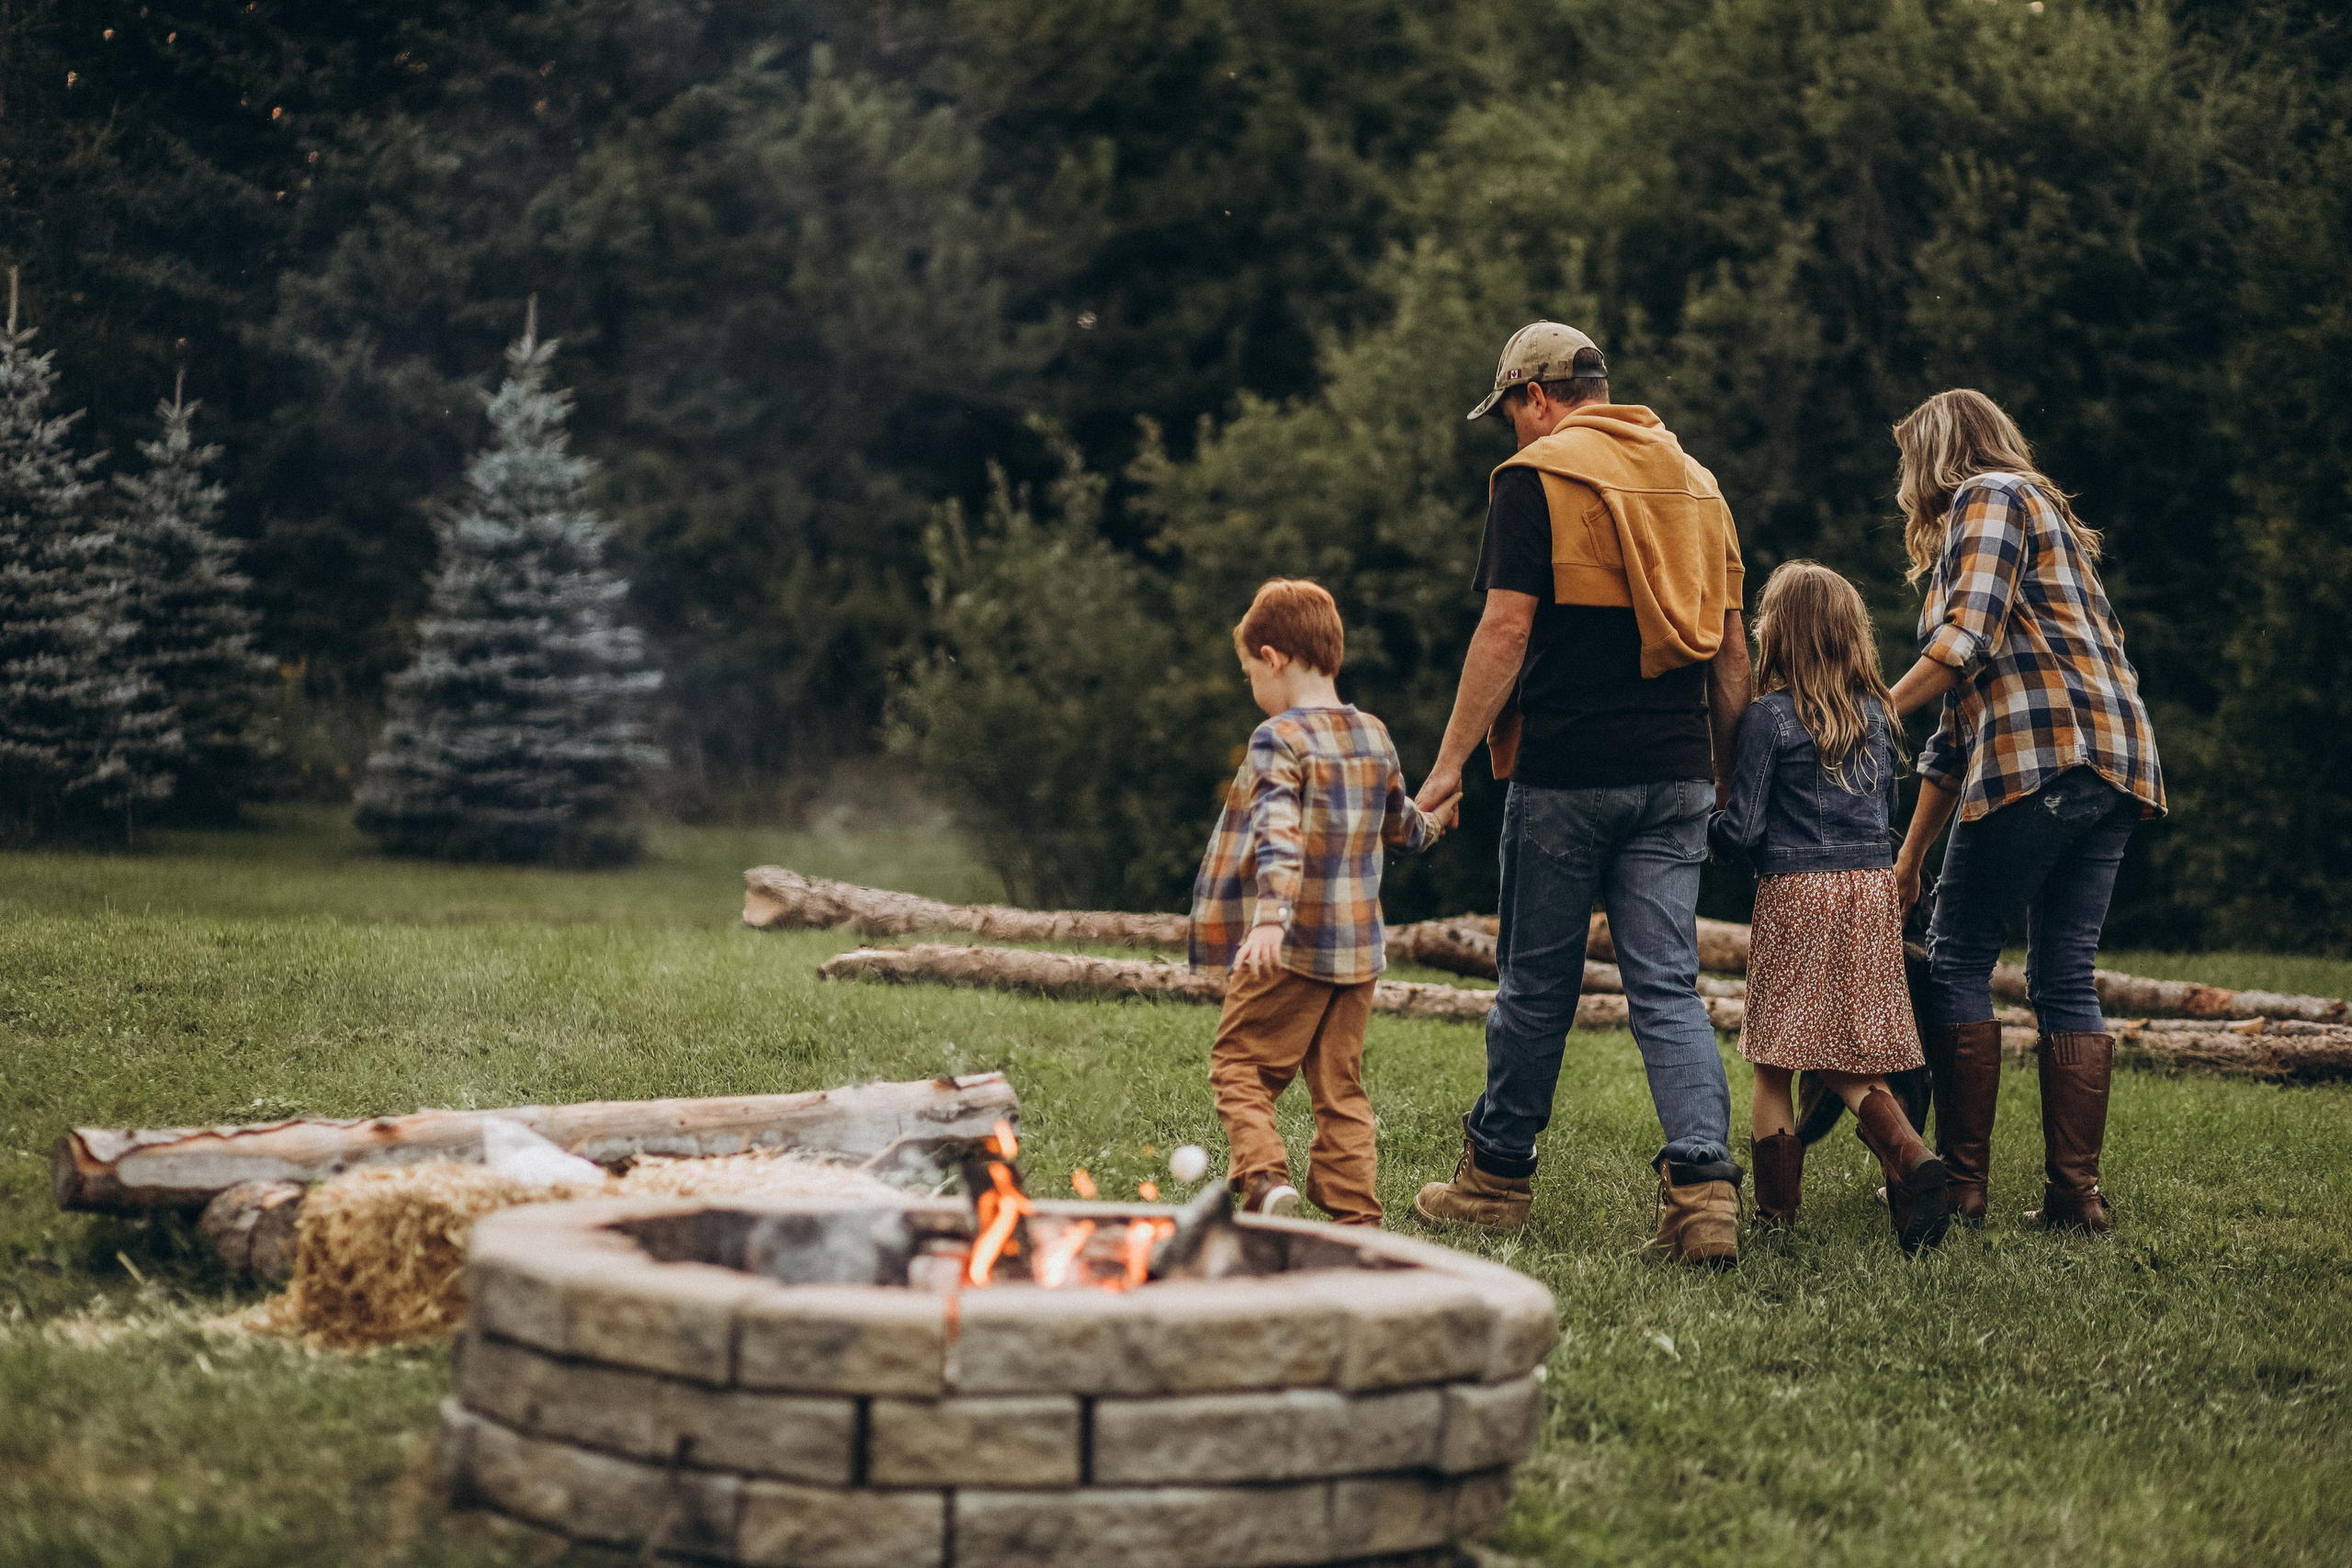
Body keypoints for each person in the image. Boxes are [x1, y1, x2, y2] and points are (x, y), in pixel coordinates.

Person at [1409, 322, 1753, 1267]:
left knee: (1534, 984)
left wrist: (1445, 769)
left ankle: (1494, 1182)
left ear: (1532, 395)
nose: (1512, 434)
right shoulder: (1695, 483)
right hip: (1678, 768)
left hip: (1566, 770)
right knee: (1667, 988)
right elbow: (1731, 652)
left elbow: (1505, 632)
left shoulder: (1537, 478)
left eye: (1510, 414)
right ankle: (1702, 1197)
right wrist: (1725, 772)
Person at [1884, 389, 2165, 1234]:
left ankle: (1964, 1191)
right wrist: (1909, 862)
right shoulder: (2045, 529)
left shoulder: (1991, 498)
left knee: (1960, 955)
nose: (1903, 481)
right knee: (2063, 973)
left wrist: (1865, 711)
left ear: (1936, 452)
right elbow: (1952, 733)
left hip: (2043, 759)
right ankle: (2075, 1196)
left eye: (1907, 461)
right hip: (2113, 768)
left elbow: (1961, 642)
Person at [1189, 579, 1459, 1224]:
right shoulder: (1372, 733)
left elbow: (1278, 831)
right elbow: (1403, 825)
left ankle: (1263, 1181)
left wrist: (1272, 917)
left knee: (1239, 1065)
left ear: (1275, 656)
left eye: (1251, 670)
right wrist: (1438, 819)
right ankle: (1357, 1218)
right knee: (1340, 1090)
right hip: (1358, 952)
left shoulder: (1277, 737)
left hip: (1294, 942)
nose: (1253, 684)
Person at [1709, 561, 1950, 1253]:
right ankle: (1910, 1160)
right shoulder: (1876, 715)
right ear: (1851, 635)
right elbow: (1886, 812)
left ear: (1776, 634)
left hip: (1799, 894)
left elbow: (1746, 827)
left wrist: (1704, 820)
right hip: (1871, 892)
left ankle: (1781, 1218)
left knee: (1776, 1057)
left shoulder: (1768, 719)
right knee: (1849, 1045)